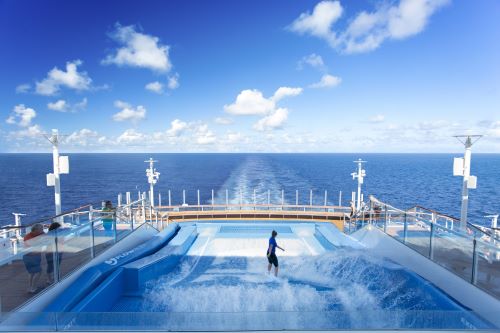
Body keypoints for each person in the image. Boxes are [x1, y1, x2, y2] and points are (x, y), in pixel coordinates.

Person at [22, 223, 45, 293]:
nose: (43, 230)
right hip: (30, 257)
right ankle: (33, 288)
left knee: (31, 273)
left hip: (36, 255)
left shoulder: (40, 234)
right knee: (38, 272)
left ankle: (30, 287)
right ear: (36, 230)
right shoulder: (28, 237)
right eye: (41, 229)